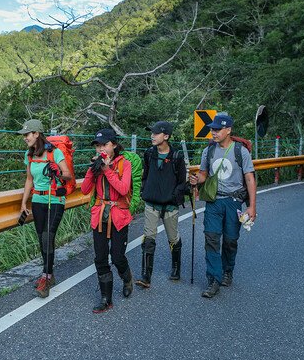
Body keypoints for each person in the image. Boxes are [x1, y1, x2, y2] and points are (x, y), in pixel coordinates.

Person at [189, 113, 257, 298]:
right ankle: (214, 280)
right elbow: (204, 174)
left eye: (218, 129)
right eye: (212, 129)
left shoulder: (240, 151)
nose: (213, 132)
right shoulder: (208, 151)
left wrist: (252, 207)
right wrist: (196, 179)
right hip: (214, 201)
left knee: (230, 240)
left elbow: (249, 178)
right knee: (211, 239)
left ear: (228, 130)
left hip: (233, 201)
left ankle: (228, 270)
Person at [81, 128, 135, 313]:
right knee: (100, 257)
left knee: (118, 256)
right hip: (100, 215)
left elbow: (123, 188)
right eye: (97, 145)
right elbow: (85, 190)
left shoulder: (124, 164)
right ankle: (106, 298)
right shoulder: (96, 164)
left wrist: (107, 170)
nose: (100, 148)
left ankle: (127, 278)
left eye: (104, 144)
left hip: (118, 215)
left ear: (114, 145)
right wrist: (92, 170)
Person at [19, 119, 73, 298]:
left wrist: (56, 170)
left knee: (47, 236)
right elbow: (29, 180)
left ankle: (46, 276)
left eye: (27, 134)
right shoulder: (29, 155)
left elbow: (68, 176)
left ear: (36, 134)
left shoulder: (54, 153)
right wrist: (23, 203)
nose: (25, 138)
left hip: (55, 200)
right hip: (38, 200)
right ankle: (49, 274)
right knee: (41, 238)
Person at [136, 121, 188, 287]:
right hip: (151, 203)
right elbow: (146, 175)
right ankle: (146, 276)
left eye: (156, 133)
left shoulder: (176, 157)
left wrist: (174, 196)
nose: (152, 136)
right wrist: (144, 191)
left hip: (169, 206)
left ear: (166, 136)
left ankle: (175, 267)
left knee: (173, 238)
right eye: (152, 133)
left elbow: (181, 182)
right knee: (148, 239)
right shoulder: (149, 153)